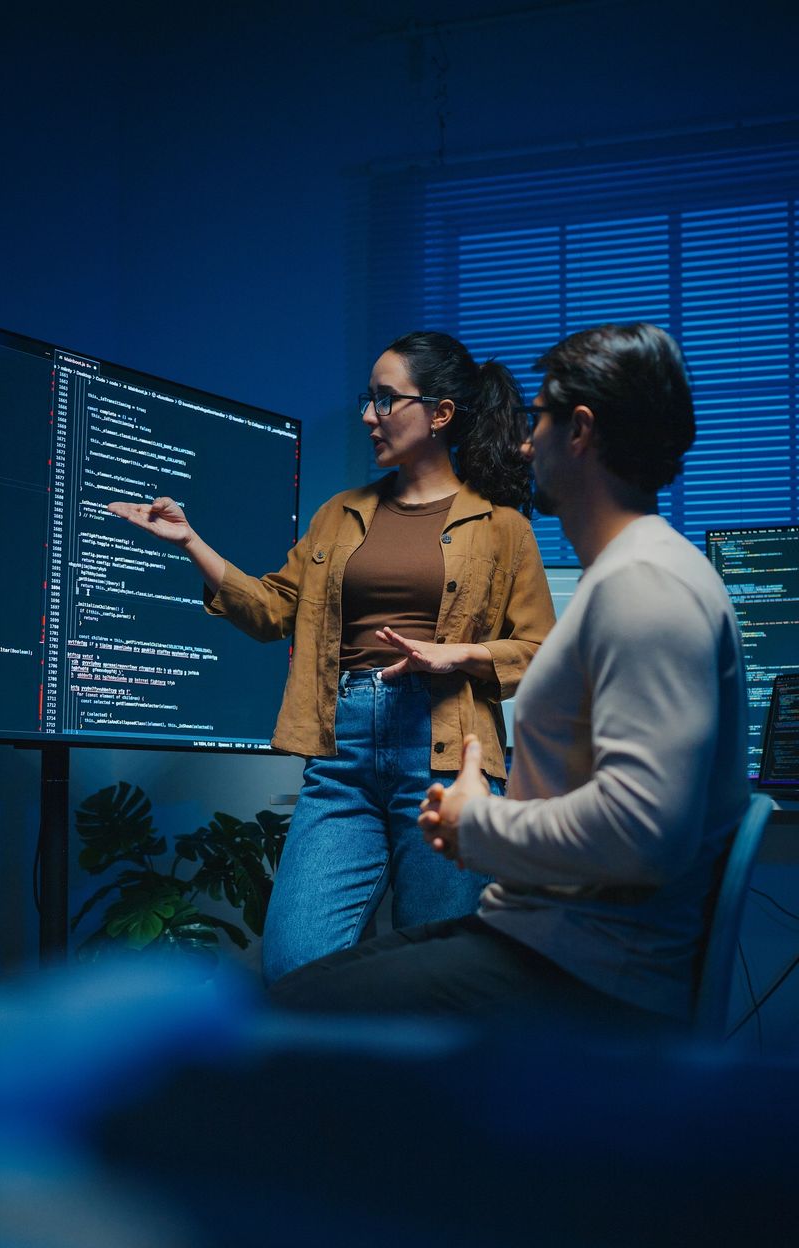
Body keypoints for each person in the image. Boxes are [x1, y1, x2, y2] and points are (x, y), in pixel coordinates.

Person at [270, 322, 751, 1032]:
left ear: (580, 431)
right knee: (299, 985)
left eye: (541, 419)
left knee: (281, 1021)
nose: (526, 444)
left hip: (583, 969)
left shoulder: (646, 586)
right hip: (541, 939)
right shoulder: (627, 578)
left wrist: (480, 824)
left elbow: (647, 832)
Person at [108, 331, 555, 981]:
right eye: (365, 399)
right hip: (340, 756)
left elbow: (538, 649)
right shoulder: (340, 516)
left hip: (444, 753)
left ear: (440, 413)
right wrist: (190, 543)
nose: (368, 415)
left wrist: (455, 656)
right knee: (296, 967)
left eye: (385, 399)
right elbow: (270, 611)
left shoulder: (501, 526)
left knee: (435, 970)